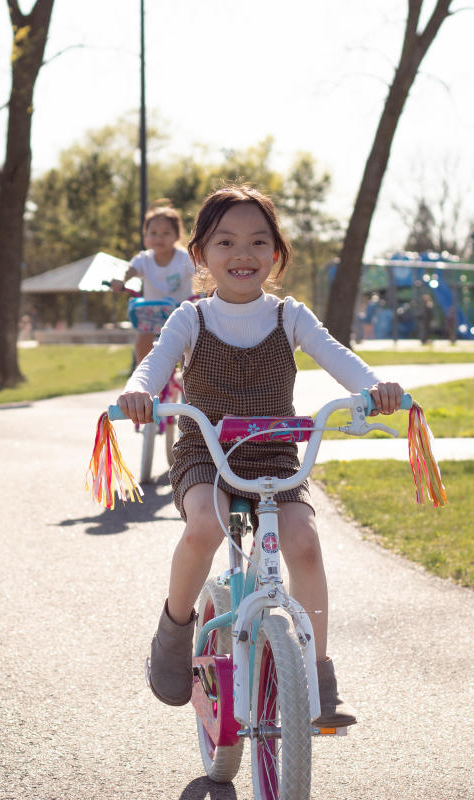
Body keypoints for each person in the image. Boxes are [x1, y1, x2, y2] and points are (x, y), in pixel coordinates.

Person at [114, 185, 404, 728]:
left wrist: (377, 386)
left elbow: (339, 357)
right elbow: (153, 367)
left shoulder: (289, 317)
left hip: (274, 452)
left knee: (306, 542)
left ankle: (316, 676)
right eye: (225, 242)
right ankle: (174, 632)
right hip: (207, 449)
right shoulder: (190, 319)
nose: (242, 254)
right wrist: (140, 394)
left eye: (257, 241)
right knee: (204, 525)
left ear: (276, 253)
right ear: (200, 255)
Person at [110, 203, 196, 363]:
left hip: (182, 312)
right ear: (145, 236)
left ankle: (189, 375)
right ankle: (143, 377)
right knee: (143, 338)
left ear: (177, 236)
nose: (159, 238)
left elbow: (198, 272)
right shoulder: (144, 259)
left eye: (166, 233)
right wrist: (121, 280)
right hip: (153, 314)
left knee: (190, 343)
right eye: (153, 233)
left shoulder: (184, 258)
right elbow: (131, 269)